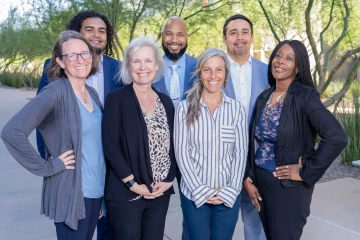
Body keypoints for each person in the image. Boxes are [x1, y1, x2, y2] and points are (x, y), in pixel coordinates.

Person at [1, 30, 106, 240]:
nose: (80, 60)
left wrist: (102, 198)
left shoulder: (92, 94)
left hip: (96, 193)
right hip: (72, 195)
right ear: (60, 61)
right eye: (71, 55)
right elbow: (12, 131)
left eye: (84, 53)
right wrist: (48, 166)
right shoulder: (55, 92)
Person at [244, 40, 348, 240]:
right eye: (278, 55)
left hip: (288, 189)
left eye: (289, 58)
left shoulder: (305, 97)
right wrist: (248, 176)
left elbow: (337, 137)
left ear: (298, 67)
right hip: (261, 185)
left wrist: (307, 170)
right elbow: (255, 142)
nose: (280, 61)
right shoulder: (265, 97)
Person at [36, 10, 122, 240]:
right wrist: (48, 160)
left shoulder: (118, 69)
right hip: (71, 173)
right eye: (89, 30)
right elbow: (40, 118)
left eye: (102, 30)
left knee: (106, 227)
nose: (96, 35)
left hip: (104, 166)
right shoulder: (54, 71)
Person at [102, 37, 176, 240]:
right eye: (136, 61)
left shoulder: (166, 102)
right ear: (128, 65)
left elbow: (173, 146)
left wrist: (169, 180)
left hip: (159, 192)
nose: (143, 67)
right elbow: (111, 147)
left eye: (148, 61)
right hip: (126, 193)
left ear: (157, 65)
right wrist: (133, 184)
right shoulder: (116, 100)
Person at [174, 48, 248, 240]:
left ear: (225, 75)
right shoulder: (184, 108)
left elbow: (240, 153)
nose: (213, 75)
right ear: (200, 73)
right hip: (194, 195)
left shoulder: (237, 110)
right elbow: (182, 154)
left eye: (219, 70)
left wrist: (230, 190)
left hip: (227, 195)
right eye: (207, 70)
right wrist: (203, 191)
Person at [222, 14, 268, 240]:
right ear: (224, 38)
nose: (239, 38)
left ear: (251, 36)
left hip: (258, 162)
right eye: (233, 32)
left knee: (254, 224)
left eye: (244, 32)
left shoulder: (267, 71)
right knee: (221, 227)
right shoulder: (213, 70)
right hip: (221, 163)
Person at [152, 16, 197, 240]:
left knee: (192, 212)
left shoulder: (200, 67)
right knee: (155, 212)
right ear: (162, 37)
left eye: (180, 34)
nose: (174, 39)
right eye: (169, 34)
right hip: (157, 152)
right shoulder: (149, 67)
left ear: (187, 37)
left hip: (192, 149)